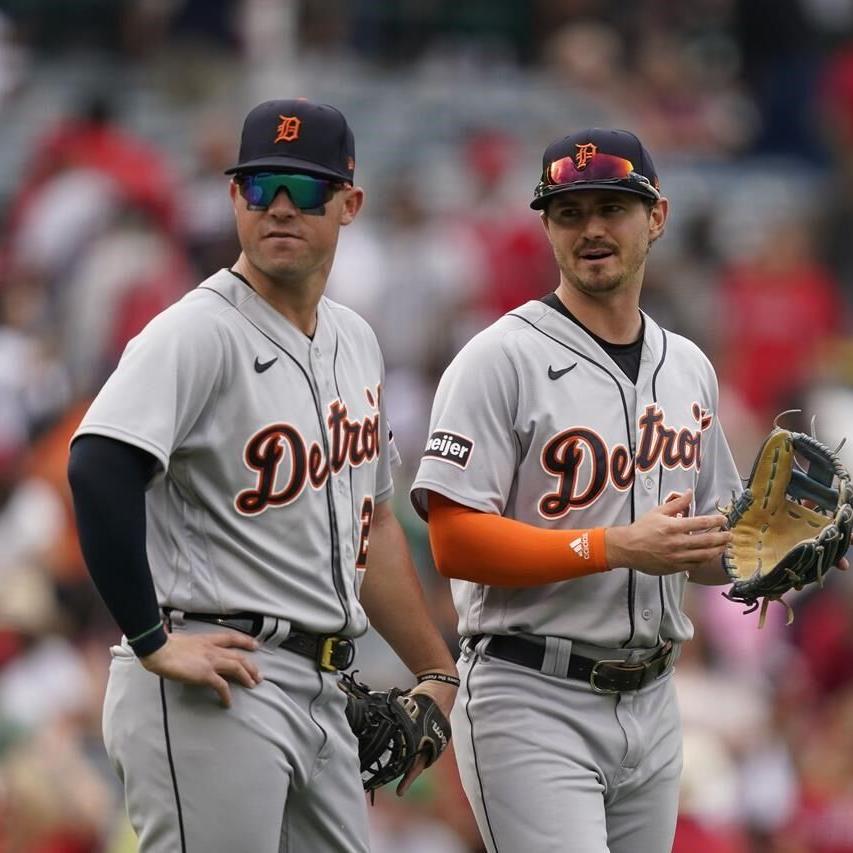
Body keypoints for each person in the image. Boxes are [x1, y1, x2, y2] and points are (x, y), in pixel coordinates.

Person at [67, 98, 458, 853]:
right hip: (213, 674)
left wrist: (435, 669)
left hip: (323, 686)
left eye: (305, 189)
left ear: (350, 204)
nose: (280, 207)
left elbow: (370, 524)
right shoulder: (195, 331)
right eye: (259, 187)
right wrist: (151, 640)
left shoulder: (355, 341)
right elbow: (98, 466)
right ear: (232, 198)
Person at [410, 128, 740, 853]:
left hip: (653, 698)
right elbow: (453, 540)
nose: (591, 228)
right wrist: (614, 545)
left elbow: (710, 549)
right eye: (569, 211)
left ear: (655, 216)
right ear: (547, 227)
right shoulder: (498, 359)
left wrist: (775, 550)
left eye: (611, 208)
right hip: (530, 691)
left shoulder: (686, 366)